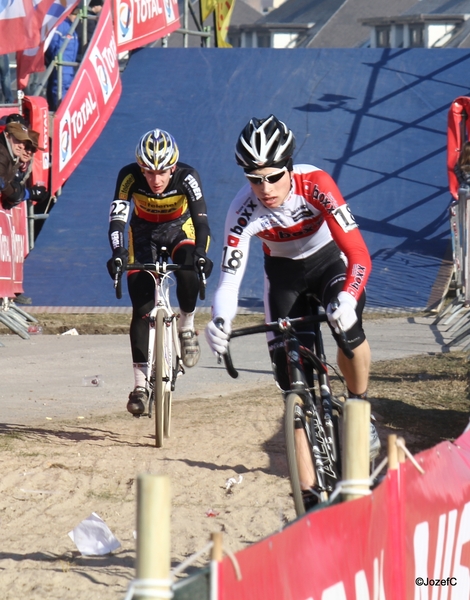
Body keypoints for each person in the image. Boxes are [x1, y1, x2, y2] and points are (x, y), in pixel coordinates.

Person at [205, 115, 380, 490]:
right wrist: (220, 320)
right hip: (283, 275)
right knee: (292, 387)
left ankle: (360, 406)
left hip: (330, 263)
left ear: (289, 167)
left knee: (347, 328)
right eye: (254, 178)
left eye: (272, 176)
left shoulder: (316, 184)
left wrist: (348, 298)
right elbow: (229, 280)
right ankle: (309, 496)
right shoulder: (242, 210)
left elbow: (359, 254)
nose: (264, 188)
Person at [107, 128, 213, 416]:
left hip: (180, 229)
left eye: (163, 172)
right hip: (142, 233)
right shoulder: (128, 176)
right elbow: (117, 220)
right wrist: (117, 254)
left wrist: (202, 253)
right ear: (140, 168)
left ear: (173, 167)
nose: (155, 180)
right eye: (149, 172)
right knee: (141, 307)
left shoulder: (187, 177)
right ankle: (140, 385)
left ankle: (187, 325)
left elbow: (202, 221)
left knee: (190, 270)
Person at [45, 10, 79, 111]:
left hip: (68, 66)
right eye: (74, 15)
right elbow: (52, 44)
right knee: (58, 89)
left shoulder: (71, 27)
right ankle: (59, 112)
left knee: (65, 90)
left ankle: (62, 111)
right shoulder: (62, 25)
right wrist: (53, 58)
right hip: (62, 66)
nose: (75, 18)